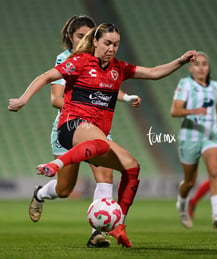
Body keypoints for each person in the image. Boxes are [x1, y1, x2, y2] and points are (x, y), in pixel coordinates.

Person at [9, 23, 197, 247]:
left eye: (116, 44)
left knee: (130, 167)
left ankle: (116, 226)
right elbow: (46, 77)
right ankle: (56, 164)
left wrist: (181, 61)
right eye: (107, 43)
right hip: (72, 125)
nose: (112, 48)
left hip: (96, 135)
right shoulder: (79, 61)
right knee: (101, 143)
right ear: (95, 41)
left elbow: (154, 72)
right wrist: (23, 99)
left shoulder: (119, 68)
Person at [35, 15, 141, 249]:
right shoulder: (68, 60)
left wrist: (125, 97)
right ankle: (40, 193)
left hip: (96, 129)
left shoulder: (102, 62)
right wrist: (85, 108)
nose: (86, 39)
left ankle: (98, 232)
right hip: (71, 126)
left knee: (105, 177)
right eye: (80, 36)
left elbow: (105, 87)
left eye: (89, 35)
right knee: (64, 189)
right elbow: (56, 99)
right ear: (70, 38)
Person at [170, 51, 217, 229]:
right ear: (191, 68)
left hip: (211, 136)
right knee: (189, 181)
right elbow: (175, 111)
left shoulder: (215, 87)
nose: (201, 67)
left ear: (208, 67)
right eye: (197, 64)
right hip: (189, 137)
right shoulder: (186, 84)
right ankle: (182, 204)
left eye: (204, 64)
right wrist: (193, 111)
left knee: (215, 172)